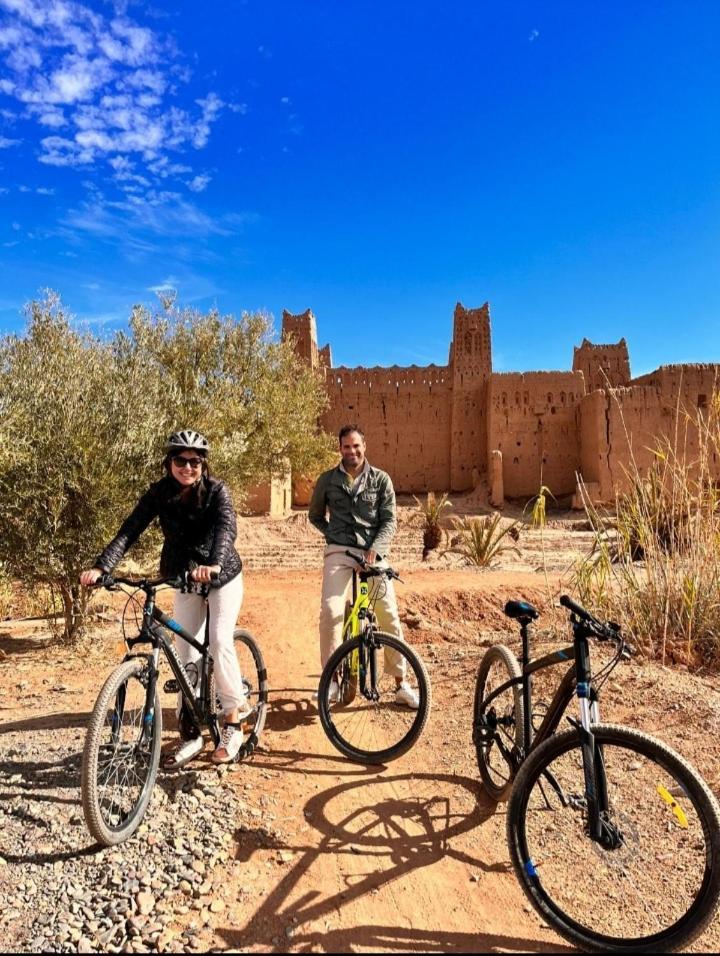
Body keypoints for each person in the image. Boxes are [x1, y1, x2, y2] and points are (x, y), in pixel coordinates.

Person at [80, 430, 250, 767]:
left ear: (203, 465)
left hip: (222, 576)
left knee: (217, 641)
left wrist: (213, 564)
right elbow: (131, 529)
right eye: (181, 460)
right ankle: (191, 734)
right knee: (185, 657)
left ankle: (233, 720)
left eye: (195, 461)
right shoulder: (159, 493)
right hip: (182, 575)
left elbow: (225, 528)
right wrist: (102, 567)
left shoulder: (217, 491)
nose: (188, 467)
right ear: (169, 462)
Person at [308, 424, 419, 708]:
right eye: (346, 447)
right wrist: (334, 536)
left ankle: (401, 683)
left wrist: (374, 550)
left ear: (364, 447)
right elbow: (315, 516)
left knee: (388, 614)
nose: (352, 451)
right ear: (340, 449)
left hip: (374, 554)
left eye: (356, 446)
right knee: (331, 611)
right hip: (340, 552)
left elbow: (389, 521)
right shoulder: (327, 481)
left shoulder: (381, 480)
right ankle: (331, 681)